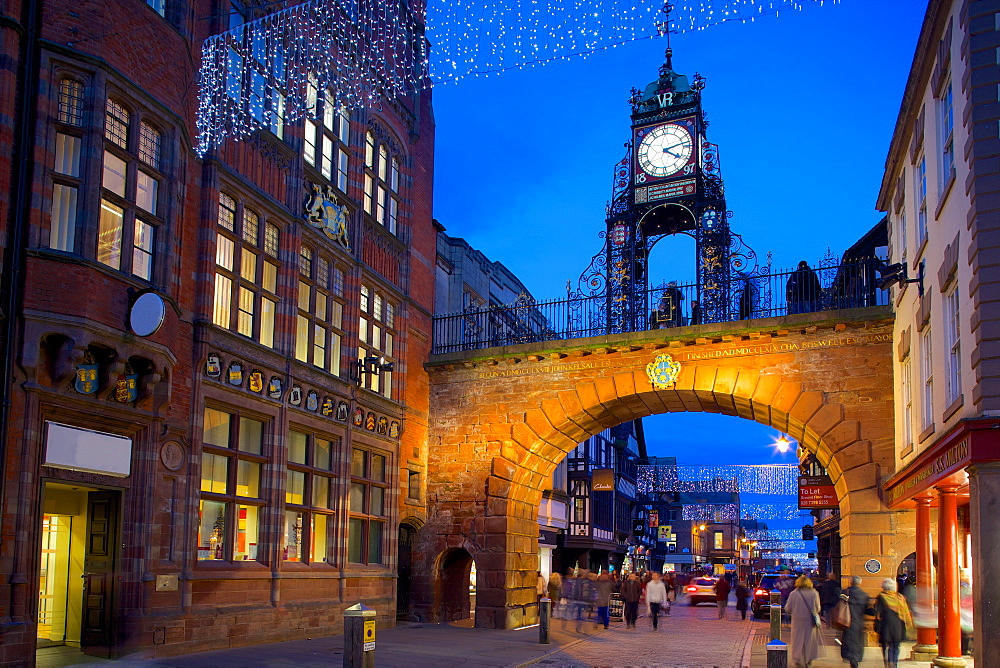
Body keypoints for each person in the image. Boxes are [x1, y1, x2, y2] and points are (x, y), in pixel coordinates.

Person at [785, 574, 822, 668]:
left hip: (797, 621)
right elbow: (818, 608)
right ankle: (808, 659)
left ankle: (797, 659)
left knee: (797, 640)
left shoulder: (794, 593)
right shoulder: (814, 593)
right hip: (810, 621)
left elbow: (788, 608)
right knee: (809, 641)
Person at [874, 578, 912, 668]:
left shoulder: (881, 597)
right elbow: (905, 612)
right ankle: (894, 663)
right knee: (896, 645)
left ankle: (889, 662)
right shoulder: (900, 597)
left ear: (884, 587)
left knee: (886, 646)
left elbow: (878, 613)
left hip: (886, 625)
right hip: (898, 625)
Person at [840, 576, 871, 668]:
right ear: (859, 583)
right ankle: (855, 660)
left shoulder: (845, 592)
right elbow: (867, 610)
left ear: (851, 582)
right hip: (858, 622)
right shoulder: (864, 595)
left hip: (846, 621)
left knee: (848, 641)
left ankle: (850, 658)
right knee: (857, 643)